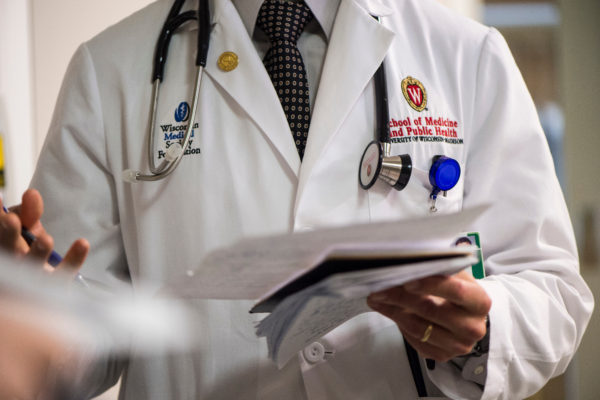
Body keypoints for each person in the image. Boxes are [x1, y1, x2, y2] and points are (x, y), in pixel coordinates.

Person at [0, 0, 593, 398]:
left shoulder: (466, 55)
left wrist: (484, 327)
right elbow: (73, 335)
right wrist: (30, 310)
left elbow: (554, 289)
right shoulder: (110, 70)